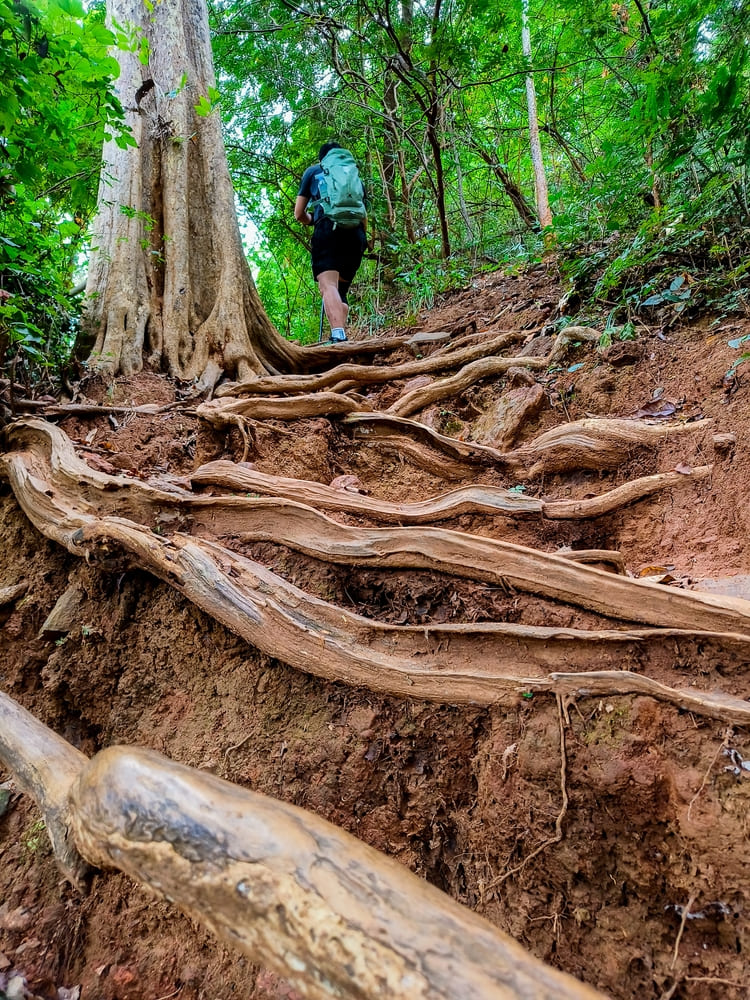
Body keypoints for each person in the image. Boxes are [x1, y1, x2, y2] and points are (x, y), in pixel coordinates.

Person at [295, 142, 367, 343]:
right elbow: (364, 216)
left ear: (322, 159)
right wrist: (362, 239)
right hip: (356, 235)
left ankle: (338, 335)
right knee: (340, 291)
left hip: (328, 229)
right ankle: (341, 334)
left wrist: (312, 220)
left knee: (328, 286)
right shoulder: (354, 177)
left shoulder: (314, 172)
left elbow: (299, 213)